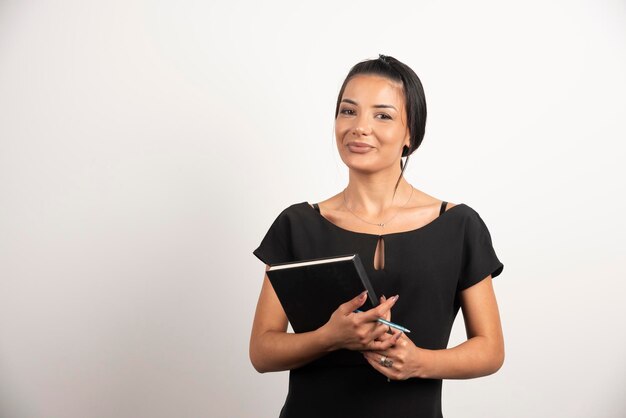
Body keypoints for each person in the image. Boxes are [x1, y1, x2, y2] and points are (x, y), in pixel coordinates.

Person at [250, 54, 505, 418]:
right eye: (348, 111)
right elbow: (262, 351)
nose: (359, 127)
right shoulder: (298, 224)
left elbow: (491, 348)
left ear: (410, 133)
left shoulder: (459, 226)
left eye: (382, 115)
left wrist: (419, 362)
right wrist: (331, 337)